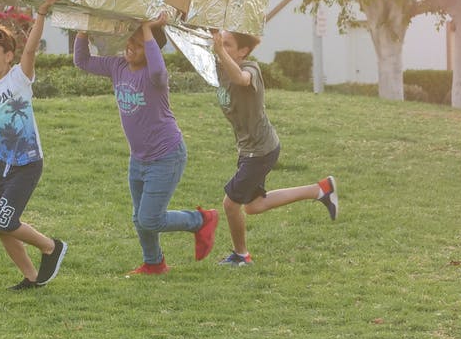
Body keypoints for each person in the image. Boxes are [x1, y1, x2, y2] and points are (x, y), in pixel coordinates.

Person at [73, 14, 218, 275]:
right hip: (139, 158)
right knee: (139, 217)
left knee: (150, 218)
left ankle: (201, 220)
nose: (131, 46)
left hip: (166, 155)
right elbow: (81, 61)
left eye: (139, 44)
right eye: (131, 40)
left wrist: (149, 29)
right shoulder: (117, 67)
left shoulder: (155, 78)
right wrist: (83, 30)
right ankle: (154, 263)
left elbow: (159, 70)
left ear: (151, 49)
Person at [0, 0, 68, 290]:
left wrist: (43, 11)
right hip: (2, 165)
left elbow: (31, 49)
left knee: (6, 221)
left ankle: (51, 246)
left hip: (27, 165)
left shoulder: (20, 78)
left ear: (8, 56)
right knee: (0, 226)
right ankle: (33, 277)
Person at [210, 28, 338, 266]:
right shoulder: (219, 67)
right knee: (254, 206)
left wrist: (219, 50)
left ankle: (241, 256)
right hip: (252, 149)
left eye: (228, 44)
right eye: (221, 43)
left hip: (260, 150)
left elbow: (241, 79)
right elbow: (193, 49)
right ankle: (320, 190)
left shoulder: (251, 69)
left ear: (243, 51)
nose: (221, 47)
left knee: (230, 204)